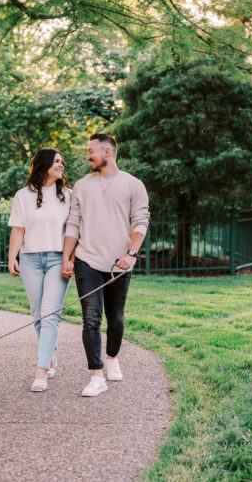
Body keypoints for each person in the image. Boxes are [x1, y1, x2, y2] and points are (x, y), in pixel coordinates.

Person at [61, 133, 149, 397]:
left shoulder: (133, 185)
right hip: (87, 261)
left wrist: (131, 253)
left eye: (91, 151)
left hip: (119, 264)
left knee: (116, 319)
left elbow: (140, 222)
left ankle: (112, 358)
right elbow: (73, 223)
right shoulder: (83, 185)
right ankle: (96, 375)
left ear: (107, 152)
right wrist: (67, 256)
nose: (88, 156)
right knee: (91, 319)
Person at [8, 148, 72, 392]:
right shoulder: (23, 196)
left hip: (58, 258)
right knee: (38, 314)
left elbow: (73, 232)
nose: (61, 165)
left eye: (62, 162)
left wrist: (70, 259)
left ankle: (41, 370)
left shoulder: (69, 195)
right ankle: (51, 354)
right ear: (43, 164)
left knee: (50, 313)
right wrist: (12, 257)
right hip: (30, 260)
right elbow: (18, 229)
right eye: (56, 161)